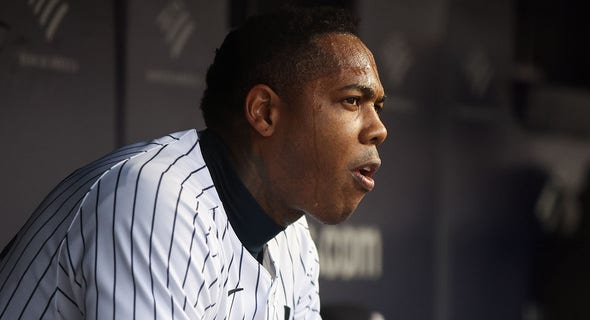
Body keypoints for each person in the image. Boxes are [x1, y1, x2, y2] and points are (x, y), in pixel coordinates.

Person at [0, 6, 387, 320]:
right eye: (353, 100)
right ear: (265, 112)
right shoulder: (156, 199)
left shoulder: (293, 238)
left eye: (378, 107)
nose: (378, 129)